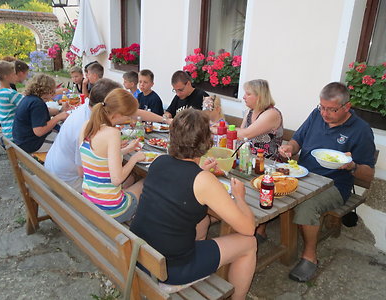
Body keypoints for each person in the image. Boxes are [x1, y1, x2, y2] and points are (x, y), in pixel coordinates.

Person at [130, 109, 256, 299]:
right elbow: (248, 229)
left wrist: (199, 171)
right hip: (169, 270)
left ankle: (201, 261)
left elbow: (180, 184)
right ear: (206, 142)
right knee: (249, 243)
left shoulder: (159, 162)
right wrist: (239, 197)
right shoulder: (203, 180)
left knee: (203, 220)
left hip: (141, 255)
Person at [278, 82, 375, 282]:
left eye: (331, 109)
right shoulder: (316, 116)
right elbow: (297, 141)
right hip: (303, 175)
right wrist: (290, 148)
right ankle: (259, 231)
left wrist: (351, 166)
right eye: (322, 107)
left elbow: (368, 175)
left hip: (335, 185)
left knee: (307, 206)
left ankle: (310, 257)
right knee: (269, 184)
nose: (325, 113)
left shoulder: (361, 130)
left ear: (347, 107)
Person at [79, 88, 145, 223]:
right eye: (128, 116)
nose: (129, 119)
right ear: (117, 115)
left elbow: (98, 159)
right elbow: (117, 179)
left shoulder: (87, 125)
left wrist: (126, 149)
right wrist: (134, 158)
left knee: (132, 178)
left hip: (90, 201)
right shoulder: (112, 133)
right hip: (111, 210)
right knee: (147, 182)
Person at [45, 79, 122, 193]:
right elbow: (83, 172)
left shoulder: (86, 107)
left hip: (53, 170)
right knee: (128, 179)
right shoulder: (87, 125)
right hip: (67, 182)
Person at [13, 74, 69, 153]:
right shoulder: (37, 104)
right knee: (68, 143)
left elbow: (43, 113)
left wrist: (60, 110)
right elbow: (39, 131)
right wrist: (58, 118)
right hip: (31, 144)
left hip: (22, 140)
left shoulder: (30, 98)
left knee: (63, 134)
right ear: (47, 90)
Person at [237, 79, 283, 160]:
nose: (244, 97)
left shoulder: (272, 114)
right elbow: (240, 138)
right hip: (247, 160)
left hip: (267, 164)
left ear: (260, 97)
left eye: (248, 94)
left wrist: (222, 128)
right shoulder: (249, 112)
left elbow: (245, 135)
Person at [0, 61, 24, 141]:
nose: (16, 76)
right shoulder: (10, 93)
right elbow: (28, 103)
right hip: (14, 132)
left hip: (6, 130)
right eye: (14, 74)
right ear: (6, 76)